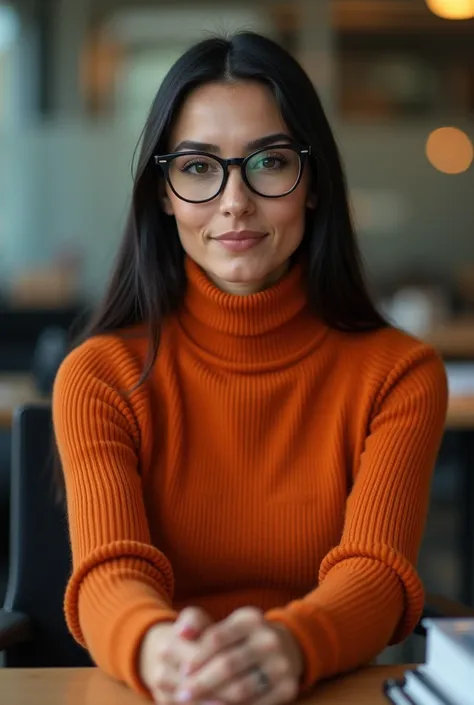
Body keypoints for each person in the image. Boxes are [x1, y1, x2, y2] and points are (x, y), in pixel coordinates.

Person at [52, 31, 448, 705]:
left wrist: (290, 645)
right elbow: (110, 570)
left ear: (313, 182)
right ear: (165, 194)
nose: (234, 200)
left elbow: (375, 573)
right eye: (200, 168)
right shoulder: (100, 373)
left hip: (321, 685)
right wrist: (161, 651)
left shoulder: (399, 373)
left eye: (268, 162)